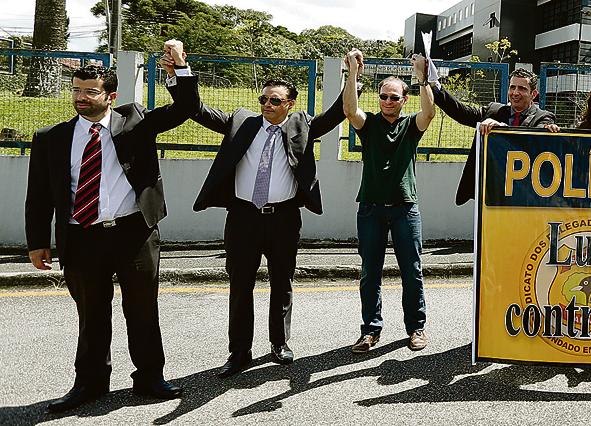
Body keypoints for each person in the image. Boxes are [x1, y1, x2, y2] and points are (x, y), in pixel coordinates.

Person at [25, 41, 198, 412]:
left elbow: (186, 107)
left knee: (142, 309)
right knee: (91, 315)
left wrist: (179, 69)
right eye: (76, 90)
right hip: (81, 235)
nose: (81, 97)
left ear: (111, 96)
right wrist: (37, 242)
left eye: (91, 91)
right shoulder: (51, 138)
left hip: (133, 233)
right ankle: (89, 383)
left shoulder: (135, 121)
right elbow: (38, 195)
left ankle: (149, 378)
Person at [191, 63, 348, 378]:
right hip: (243, 218)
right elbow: (197, 110)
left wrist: (352, 75)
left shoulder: (301, 126)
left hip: (283, 219)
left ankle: (279, 342)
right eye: (263, 99)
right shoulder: (242, 122)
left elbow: (337, 113)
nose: (267, 105)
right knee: (240, 286)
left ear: (290, 104)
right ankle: (239, 352)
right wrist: (180, 72)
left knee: (281, 282)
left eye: (275, 100)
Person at [342, 50, 436, 354]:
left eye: (394, 97)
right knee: (370, 272)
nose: (387, 101)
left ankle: (416, 328)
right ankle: (370, 330)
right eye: (383, 96)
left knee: (412, 271)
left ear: (404, 100)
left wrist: (422, 78)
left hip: (405, 209)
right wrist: (352, 73)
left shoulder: (410, 126)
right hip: (370, 208)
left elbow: (429, 113)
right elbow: (349, 110)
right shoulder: (369, 124)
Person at [431, 67, 559, 206]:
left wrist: (501, 129)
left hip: (524, 196)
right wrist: (433, 85)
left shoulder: (544, 117)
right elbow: (461, 112)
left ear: (533, 94)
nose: (515, 93)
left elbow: (535, 138)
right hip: (492, 193)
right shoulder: (494, 111)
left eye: (522, 89)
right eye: (512, 87)